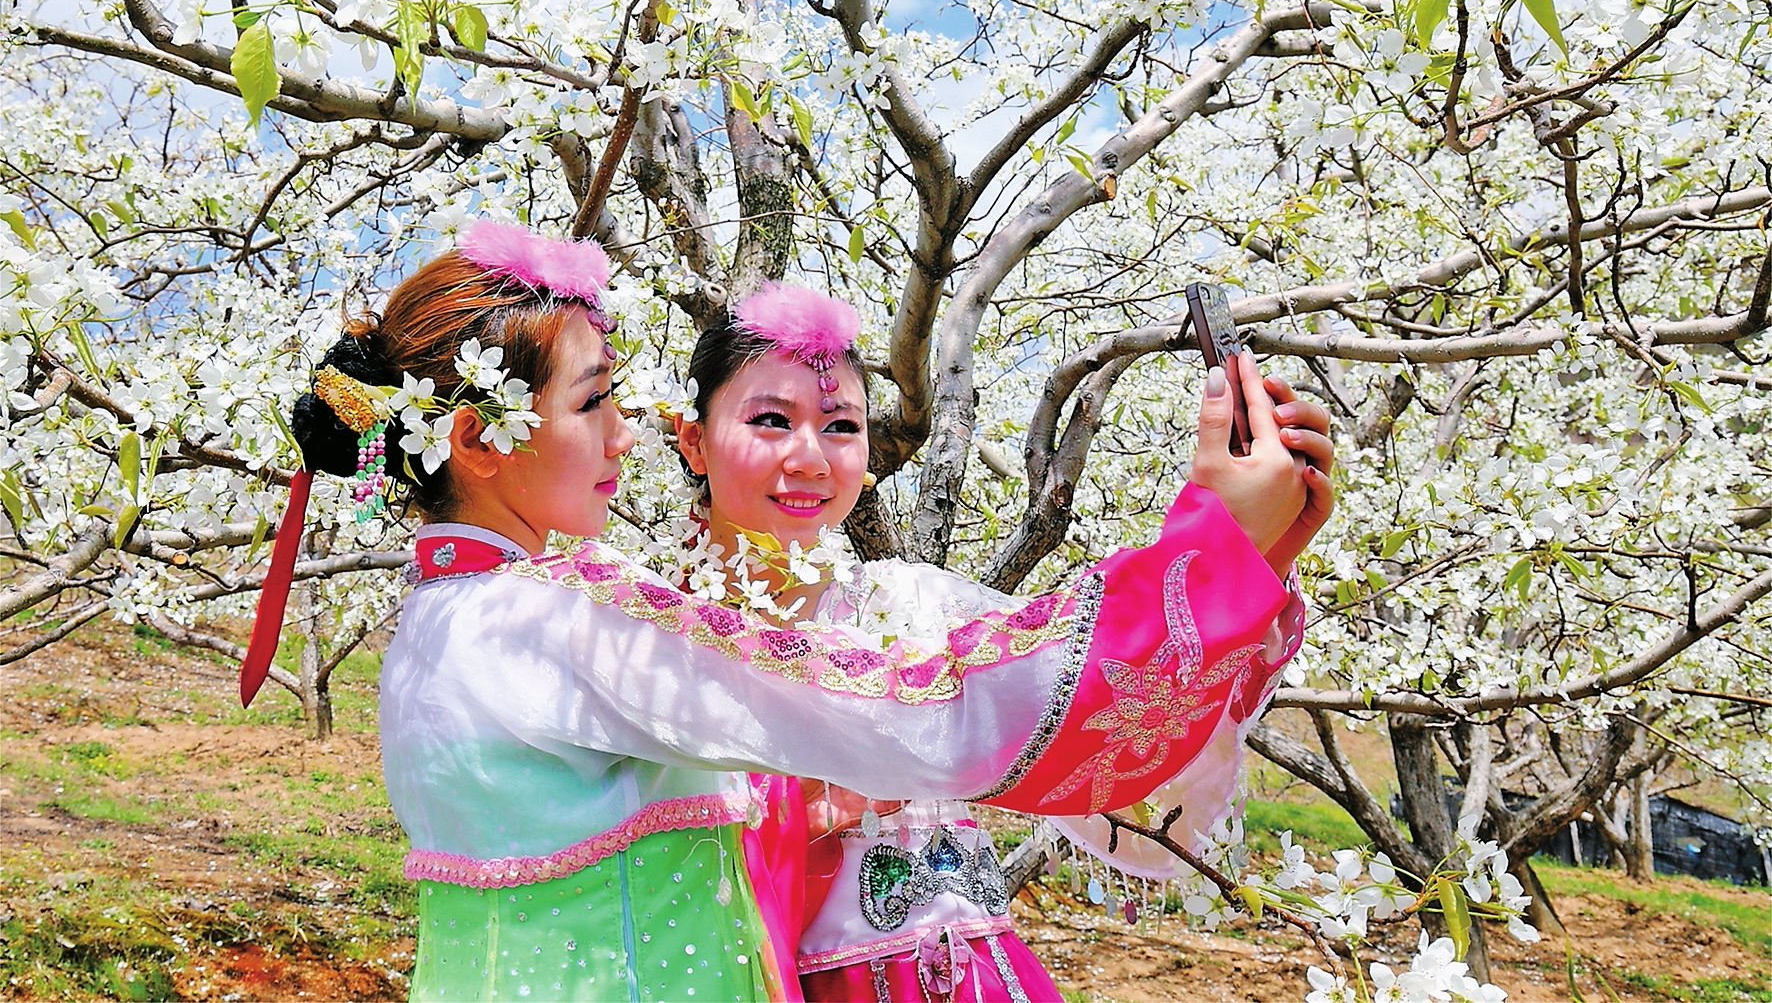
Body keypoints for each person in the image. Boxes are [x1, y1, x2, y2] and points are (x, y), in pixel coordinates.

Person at [252, 222, 1316, 1003]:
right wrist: (1206, 550)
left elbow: (1118, 792)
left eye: (840, 425)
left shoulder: (446, 620)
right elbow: (939, 716)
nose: (615, 435)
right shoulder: (562, 617)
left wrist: (1239, 561)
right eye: (593, 403)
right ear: (483, 441)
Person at [668, 284, 1333, 1002]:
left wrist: (1246, 556)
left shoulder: (913, 602)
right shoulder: (649, 642)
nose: (810, 458)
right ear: (693, 439)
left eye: (840, 425)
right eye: (772, 419)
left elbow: (1086, 694)